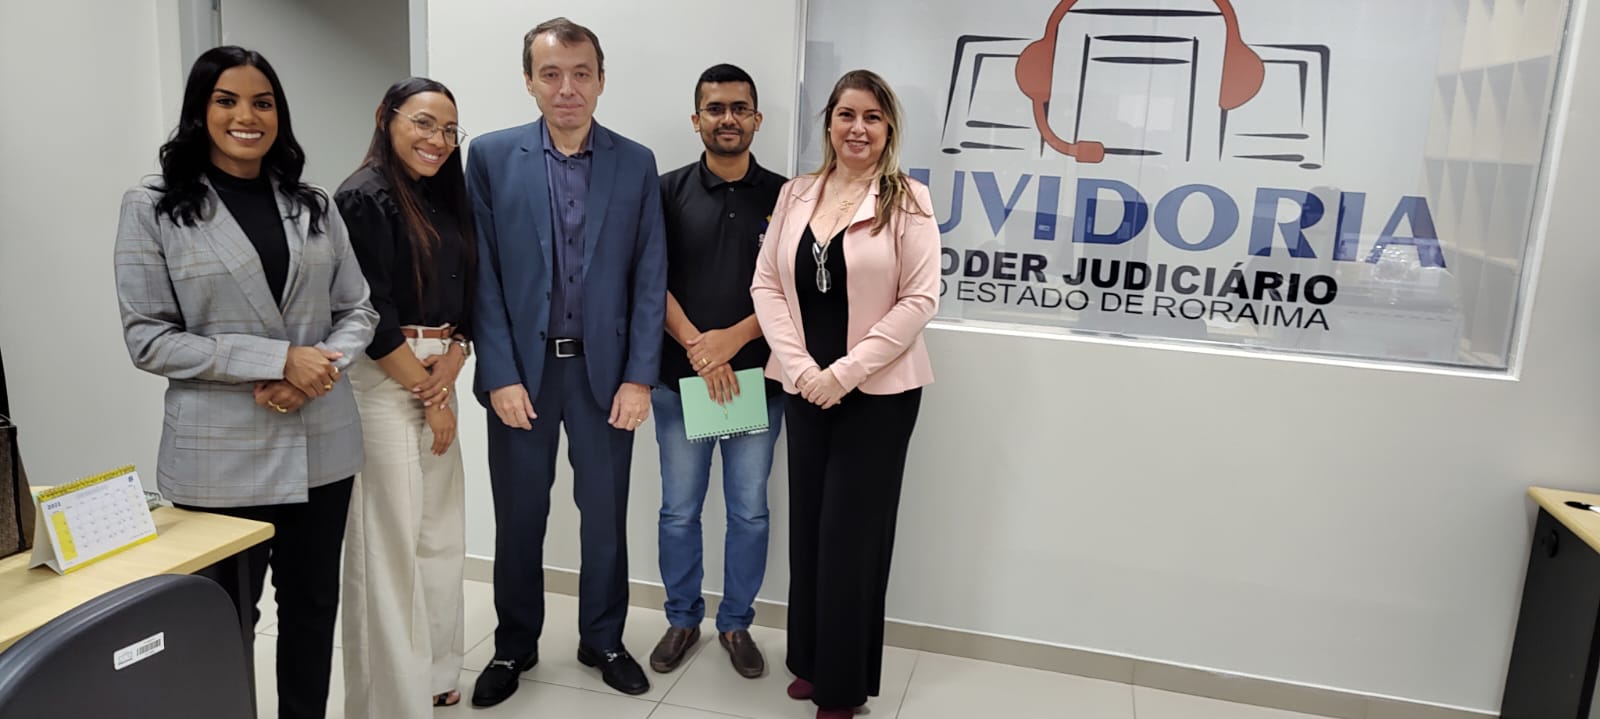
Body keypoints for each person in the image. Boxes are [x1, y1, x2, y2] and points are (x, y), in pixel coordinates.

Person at [113, 45, 376, 719]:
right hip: (217, 458)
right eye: (226, 100)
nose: (246, 115)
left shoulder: (310, 204)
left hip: (323, 444)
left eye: (262, 101)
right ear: (200, 111)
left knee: (313, 614)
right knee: (220, 622)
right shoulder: (153, 207)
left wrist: (314, 370)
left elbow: (359, 309)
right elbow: (148, 337)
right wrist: (275, 359)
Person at [465, 16, 667, 705]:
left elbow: (650, 274)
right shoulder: (490, 158)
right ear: (529, 81)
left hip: (605, 375)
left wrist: (641, 373)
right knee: (520, 515)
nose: (567, 88)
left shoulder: (635, 162)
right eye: (550, 74)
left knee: (605, 514)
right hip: (524, 373)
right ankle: (514, 644)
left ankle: (603, 638)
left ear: (601, 80)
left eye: (581, 73)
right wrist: (497, 373)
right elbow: (483, 277)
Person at [749, 69, 940, 719]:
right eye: (846, 114)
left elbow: (920, 300)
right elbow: (766, 287)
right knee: (809, 525)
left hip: (877, 394)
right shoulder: (798, 192)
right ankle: (809, 658)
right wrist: (803, 370)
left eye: (873, 117)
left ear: (888, 129)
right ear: (828, 122)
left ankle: (842, 685)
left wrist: (844, 372)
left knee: (850, 538)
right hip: (805, 386)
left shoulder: (908, 200)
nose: (858, 128)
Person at [333, 77, 475, 715]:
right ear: (385, 117)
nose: (437, 141)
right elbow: (369, 312)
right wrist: (433, 397)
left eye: (448, 130)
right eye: (423, 124)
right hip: (386, 376)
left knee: (441, 537)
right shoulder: (363, 197)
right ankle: (390, 700)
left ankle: (439, 674)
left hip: (439, 366)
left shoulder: (443, 196)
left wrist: (456, 355)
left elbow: (466, 291)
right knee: (387, 548)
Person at [648, 63, 787, 679]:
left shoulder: (789, 197)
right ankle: (682, 617)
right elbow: (647, 279)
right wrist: (699, 350)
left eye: (739, 107)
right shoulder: (663, 191)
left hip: (757, 380)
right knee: (679, 509)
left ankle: (735, 625)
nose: (727, 118)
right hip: (681, 383)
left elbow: (791, 289)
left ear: (756, 118)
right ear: (696, 118)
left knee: (749, 511)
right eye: (715, 108)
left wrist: (732, 341)